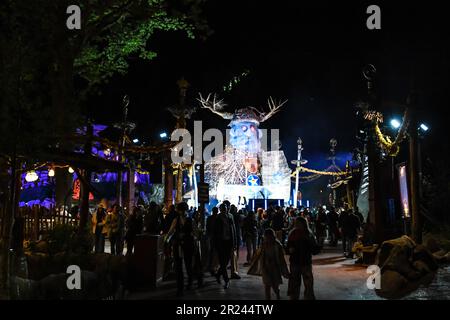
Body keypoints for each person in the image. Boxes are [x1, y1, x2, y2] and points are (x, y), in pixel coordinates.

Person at [166, 202, 202, 296]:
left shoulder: (191, 220)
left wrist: (193, 238)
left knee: (188, 264)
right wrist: (166, 240)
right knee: (178, 267)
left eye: (182, 210)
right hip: (178, 245)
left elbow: (196, 233)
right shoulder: (176, 220)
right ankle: (180, 287)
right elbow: (171, 231)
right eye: (181, 210)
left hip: (188, 245)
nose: (182, 212)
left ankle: (190, 282)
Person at [287, 217, 316, 300]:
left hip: (305, 262)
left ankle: (308, 297)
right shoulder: (293, 234)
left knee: (308, 284)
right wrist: (289, 250)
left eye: (298, 223)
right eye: (296, 223)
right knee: (296, 283)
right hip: (296, 262)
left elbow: (313, 248)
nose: (297, 225)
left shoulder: (308, 234)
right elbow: (288, 247)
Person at [214, 203, 236, 289]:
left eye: (226, 208)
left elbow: (233, 230)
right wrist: (215, 244)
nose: (225, 210)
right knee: (223, 263)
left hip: (228, 242)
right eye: (223, 208)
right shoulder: (218, 218)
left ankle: (218, 274)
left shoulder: (230, 217)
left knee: (226, 262)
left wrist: (234, 242)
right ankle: (226, 280)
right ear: (220, 209)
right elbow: (215, 233)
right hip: (221, 242)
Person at [229, 204, 242, 280]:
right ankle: (233, 269)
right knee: (234, 252)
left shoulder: (230, 216)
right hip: (235, 235)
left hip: (231, 236)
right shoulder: (235, 216)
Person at [206, 207, 219, 276]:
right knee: (214, 252)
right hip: (214, 237)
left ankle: (212, 266)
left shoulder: (210, 218)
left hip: (213, 237)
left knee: (212, 252)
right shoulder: (218, 218)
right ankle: (213, 267)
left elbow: (207, 228)